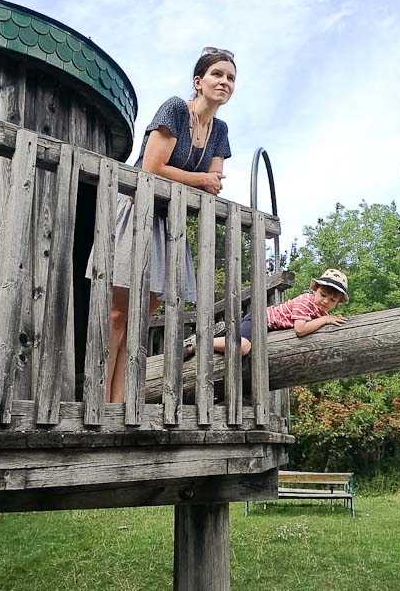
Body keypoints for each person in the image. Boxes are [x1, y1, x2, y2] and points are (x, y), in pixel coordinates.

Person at [102, 47, 236, 402]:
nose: (224, 82)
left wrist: (205, 181)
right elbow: (152, 168)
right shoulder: (175, 109)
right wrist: (201, 180)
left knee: (142, 317)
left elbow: (216, 182)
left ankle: (121, 401)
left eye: (230, 77)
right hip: (137, 210)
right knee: (118, 313)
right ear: (199, 82)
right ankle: (100, 400)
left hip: (167, 222)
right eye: (217, 74)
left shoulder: (219, 130)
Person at [196, 268, 349, 358]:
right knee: (243, 347)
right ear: (315, 288)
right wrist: (326, 320)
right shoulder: (305, 302)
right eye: (323, 295)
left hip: (266, 326)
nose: (326, 301)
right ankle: (197, 344)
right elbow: (300, 329)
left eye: (332, 300)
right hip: (259, 319)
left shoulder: (320, 312)